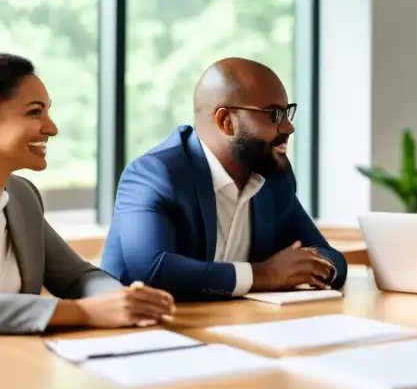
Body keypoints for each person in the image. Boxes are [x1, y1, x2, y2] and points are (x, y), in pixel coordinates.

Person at [0, 54, 174, 389]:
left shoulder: (20, 195)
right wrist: (85, 314)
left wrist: (118, 300)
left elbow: (76, 276)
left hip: (18, 386)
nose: (52, 128)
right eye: (35, 112)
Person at [102, 58, 347, 301]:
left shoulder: (273, 177)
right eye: (274, 115)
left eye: (286, 113)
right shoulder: (156, 173)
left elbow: (331, 257)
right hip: (144, 330)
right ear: (226, 122)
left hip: (234, 324)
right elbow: (150, 269)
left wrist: (311, 268)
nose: (288, 127)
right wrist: (264, 275)